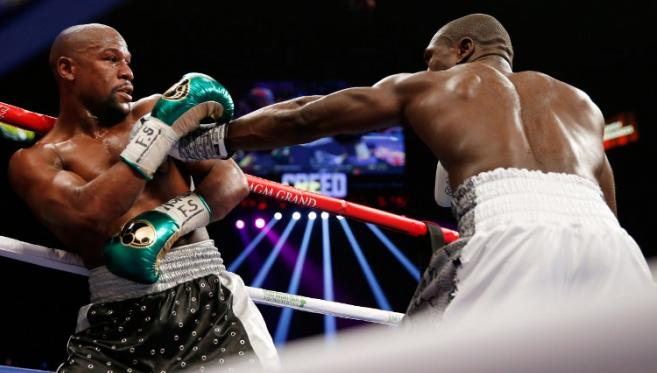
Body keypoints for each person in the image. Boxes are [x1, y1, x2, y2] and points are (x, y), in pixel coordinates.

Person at [189, 14, 655, 322]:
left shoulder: (434, 88)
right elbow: (607, 205)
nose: (428, 67)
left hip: (511, 238)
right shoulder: (581, 103)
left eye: (431, 57)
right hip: (614, 249)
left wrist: (213, 139)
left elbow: (310, 114)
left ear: (464, 48)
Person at [7, 24, 278, 372]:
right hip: (114, 322)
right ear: (67, 69)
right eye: (111, 59)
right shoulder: (37, 161)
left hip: (207, 305)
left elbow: (231, 179)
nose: (127, 72)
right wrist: (159, 134)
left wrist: (168, 221)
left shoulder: (149, 111)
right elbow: (91, 214)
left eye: (128, 61)